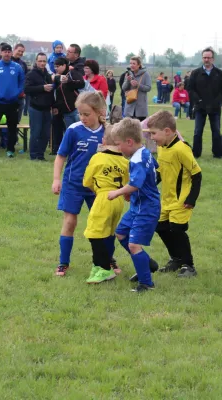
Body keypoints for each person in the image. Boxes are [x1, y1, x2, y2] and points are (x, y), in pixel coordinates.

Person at [51, 92, 107, 277]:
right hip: (72, 184)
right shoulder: (73, 130)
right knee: (70, 221)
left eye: (86, 114)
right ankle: (63, 262)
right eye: (80, 114)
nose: (82, 118)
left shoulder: (108, 133)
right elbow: (60, 156)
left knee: (101, 223)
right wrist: (56, 179)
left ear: (99, 112)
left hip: (97, 187)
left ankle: (107, 260)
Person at [108, 118, 161, 292]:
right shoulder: (145, 152)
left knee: (134, 245)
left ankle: (146, 283)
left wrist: (118, 192)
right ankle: (147, 263)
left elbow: (136, 183)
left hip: (147, 208)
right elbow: (156, 171)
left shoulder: (136, 160)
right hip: (138, 205)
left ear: (129, 142)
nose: (118, 148)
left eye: (119, 144)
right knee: (121, 233)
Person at [147, 111, 202, 277]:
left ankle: (189, 265)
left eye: (154, 133)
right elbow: (161, 172)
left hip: (181, 199)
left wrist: (191, 199)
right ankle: (176, 259)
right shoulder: (161, 147)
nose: (152, 137)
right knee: (160, 227)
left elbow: (197, 175)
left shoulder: (182, 149)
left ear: (167, 131)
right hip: (167, 198)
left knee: (177, 230)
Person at [82, 127, 129, 284]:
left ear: (104, 141)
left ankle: (103, 269)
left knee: (94, 233)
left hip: (104, 197)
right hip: (119, 199)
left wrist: (98, 191)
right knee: (108, 233)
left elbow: (87, 181)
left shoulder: (98, 158)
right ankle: (101, 263)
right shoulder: (124, 161)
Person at [188, 47, 222, 158]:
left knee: (216, 131)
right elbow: (190, 89)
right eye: (205, 57)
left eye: (209, 58)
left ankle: (217, 153)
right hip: (200, 107)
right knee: (198, 131)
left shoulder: (219, 73)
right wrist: (198, 100)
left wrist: (218, 102)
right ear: (202, 58)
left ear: (213, 59)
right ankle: (196, 153)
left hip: (215, 108)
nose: (206, 60)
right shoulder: (196, 73)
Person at [51, 57, 85, 153]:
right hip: (65, 112)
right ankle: (72, 151)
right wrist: (55, 106)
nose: (56, 68)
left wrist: (69, 81)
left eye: (58, 66)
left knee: (81, 130)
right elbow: (56, 95)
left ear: (64, 65)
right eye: (55, 66)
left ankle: (82, 149)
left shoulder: (72, 73)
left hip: (76, 109)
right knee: (70, 132)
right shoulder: (56, 77)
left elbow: (81, 83)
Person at [24, 52, 54, 161]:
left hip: (47, 108)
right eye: (40, 61)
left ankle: (40, 155)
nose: (42, 63)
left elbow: (52, 92)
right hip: (35, 108)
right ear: (36, 61)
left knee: (45, 134)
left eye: (44, 61)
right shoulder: (31, 74)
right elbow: (27, 89)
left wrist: (53, 105)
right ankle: (33, 155)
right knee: (35, 132)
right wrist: (42, 88)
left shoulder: (47, 75)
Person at [122, 56, 151, 121]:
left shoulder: (145, 74)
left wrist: (138, 85)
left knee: (139, 130)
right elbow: (123, 88)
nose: (131, 65)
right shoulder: (128, 73)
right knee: (128, 129)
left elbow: (148, 88)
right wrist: (127, 81)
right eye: (130, 63)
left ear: (139, 65)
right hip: (129, 107)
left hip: (140, 108)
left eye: (134, 63)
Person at [12, 44, 28, 123]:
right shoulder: (7, 61)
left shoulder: (23, 64)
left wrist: (24, 91)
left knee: (17, 121)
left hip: (20, 97)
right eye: (19, 51)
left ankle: (14, 135)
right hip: (8, 97)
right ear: (14, 49)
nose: (21, 53)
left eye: (22, 52)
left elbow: (26, 79)